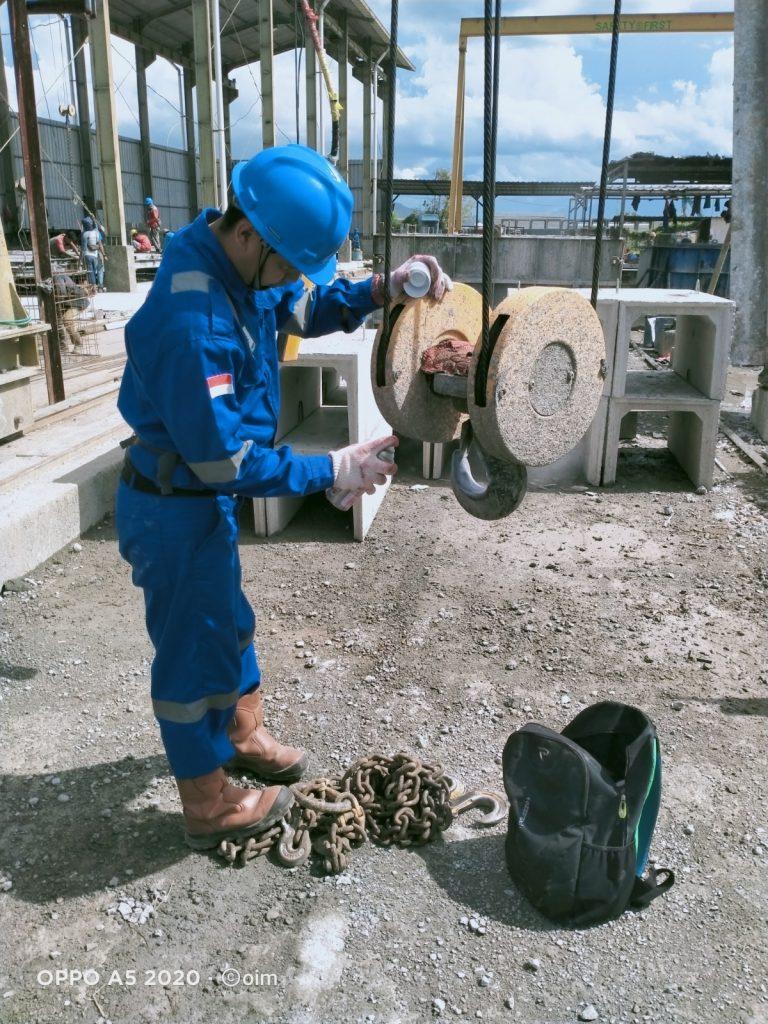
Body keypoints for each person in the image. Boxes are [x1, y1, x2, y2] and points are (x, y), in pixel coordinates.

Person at [116, 144, 451, 851]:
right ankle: (208, 805)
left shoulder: (239, 260)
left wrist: (385, 288)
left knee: (228, 622)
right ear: (250, 236)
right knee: (191, 655)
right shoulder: (194, 323)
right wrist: (329, 469)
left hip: (197, 507)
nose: (296, 278)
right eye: (291, 262)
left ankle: (243, 736)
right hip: (174, 504)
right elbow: (225, 460)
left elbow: (303, 305)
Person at [81, 217, 107, 291]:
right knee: (100, 269)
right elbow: (100, 244)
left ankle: (94, 286)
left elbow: (83, 248)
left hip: (92, 253)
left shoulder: (85, 234)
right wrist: (104, 254)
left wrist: (80, 260)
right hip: (97, 253)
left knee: (91, 270)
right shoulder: (97, 232)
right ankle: (100, 286)